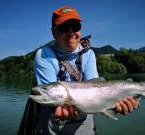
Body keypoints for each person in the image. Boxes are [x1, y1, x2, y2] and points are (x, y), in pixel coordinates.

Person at [33, 6, 139, 135]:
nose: (71, 32)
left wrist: (114, 103)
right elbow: (51, 100)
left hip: (84, 122)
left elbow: (96, 89)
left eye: (76, 26)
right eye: (64, 28)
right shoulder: (44, 54)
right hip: (53, 124)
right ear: (54, 32)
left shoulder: (88, 54)